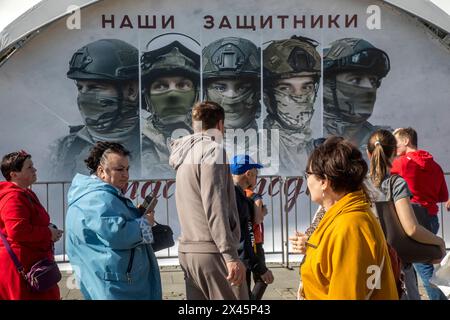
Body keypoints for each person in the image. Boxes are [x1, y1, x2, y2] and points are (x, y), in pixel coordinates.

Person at [291, 136, 398, 299]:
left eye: (308, 174)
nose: (307, 180)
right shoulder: (342, 217)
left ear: (324, 182)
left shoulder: (349, 227)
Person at [169, 101, 247, 300]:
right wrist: (230, 255)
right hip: (212, 252)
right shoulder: (213, 150)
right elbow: (215, 205)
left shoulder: (184, 153)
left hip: (188, 251)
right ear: (220, 125)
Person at [65, 142, 162, 300]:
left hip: (114, 282)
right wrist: (145, 223)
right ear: (102, 171)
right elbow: (118, 234)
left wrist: (135, 216)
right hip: (117, 286)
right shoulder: (98, 198)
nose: (126, 175)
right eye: (119, 169)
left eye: (127, 169)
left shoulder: (97, 195)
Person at [366, 129, 446, 299]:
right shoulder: (399, 182)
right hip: (399, 253)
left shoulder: (358, 185)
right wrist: (439, 242)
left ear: (368, 153)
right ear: (394, 153)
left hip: (369, 258)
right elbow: (411, 228)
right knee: (420, 278)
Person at [51, 39, 141, 181]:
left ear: (131, 91)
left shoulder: (157, 145)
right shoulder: (61, 150)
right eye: (80, 88)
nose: (84, 97)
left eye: (94, 87)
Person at [391, 127, 449, 300]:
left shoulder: (401, 163)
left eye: (396, 143)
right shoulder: (435, 165)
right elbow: (443, 196)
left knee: (424, 273)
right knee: (419, 269)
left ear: (406, 140)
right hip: (431, 218)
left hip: (412, 219)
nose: (393, 148)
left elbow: (381, 180)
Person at [0, 150, 62, 300]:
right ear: (14, 174)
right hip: (22, 266)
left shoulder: (25, 193)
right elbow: (17, 231)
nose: (34, 169)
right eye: (29, 167)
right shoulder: (13, 197)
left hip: (33, 263)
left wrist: (49, 229)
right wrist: (48, 234)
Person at [140, 40, 200, 178]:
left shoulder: (211, 139)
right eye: (161, 86)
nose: (172, 95)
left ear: (196, 94)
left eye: (182, 85)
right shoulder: (135, 143)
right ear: (147, 97)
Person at [263, 36, 321, 176]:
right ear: (267, 96)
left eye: (306, 87)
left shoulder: (317, 149)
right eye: (285, 88)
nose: (298, 97)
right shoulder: (258, 148)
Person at [323, 38, 391, 153]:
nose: (369, 88)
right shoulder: (301, 141)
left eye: (373, 81)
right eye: (355, 80)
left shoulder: (384, 142)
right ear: (328, 84)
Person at [230, 155, 274, 300]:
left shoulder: (236, 194)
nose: (257, 177)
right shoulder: (237, 197)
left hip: (235, 257)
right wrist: (259, 267)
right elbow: (244, 236)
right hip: (237, 259)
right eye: (256, 173)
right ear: (248, 173)